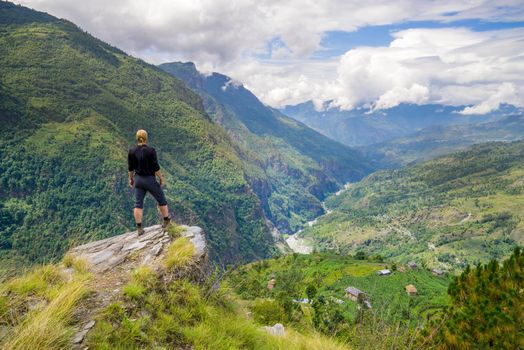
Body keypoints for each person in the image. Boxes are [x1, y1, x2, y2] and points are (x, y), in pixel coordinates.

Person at [128, 129, 171, 235]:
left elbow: (130, 168)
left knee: (138, 204)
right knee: (161, 199)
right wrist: (161, 177)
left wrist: (131, 179)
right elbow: (155, 167)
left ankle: (139, 228)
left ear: (137, 138)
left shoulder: (132, 151)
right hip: (150, 179)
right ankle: (166, 220)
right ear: (146, 138)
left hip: (138, 179)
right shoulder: (151, 150)